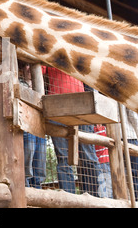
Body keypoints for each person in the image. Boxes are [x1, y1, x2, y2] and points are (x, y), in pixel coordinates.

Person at [43, 66, 101, 196]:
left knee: (88, 155)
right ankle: (69, 199)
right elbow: (40, 69)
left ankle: (94, 197)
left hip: (82, 105)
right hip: (55, 106)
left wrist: (95, 106)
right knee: (63, 158)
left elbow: (90, 78)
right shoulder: (48, 52)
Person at [19, 61, 47, 188]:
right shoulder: (19, 83)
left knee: (40, 159)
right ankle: (26, 187)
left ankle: (38, 189)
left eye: (31, 66)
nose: (29, 68)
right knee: (28, 155)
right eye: (26, 65)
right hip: (26, 125)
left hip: (39, 127)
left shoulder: (40, 86)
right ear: (22, 69)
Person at [94, 124, 113, 198]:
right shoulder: (102, 129)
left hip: (99, 161)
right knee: (108, 186)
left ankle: (105, 200)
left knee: (102, 185)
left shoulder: (93, 130)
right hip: (106, 160)